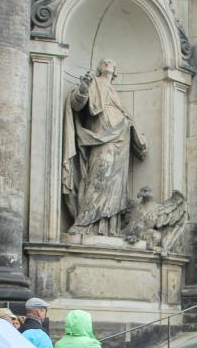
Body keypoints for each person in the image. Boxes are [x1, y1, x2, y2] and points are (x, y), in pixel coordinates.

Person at [63, 58, 148, 236]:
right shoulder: (93, 82)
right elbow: (77, 104)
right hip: (100, 137)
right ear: (99, 67)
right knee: (98, 177)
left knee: (116, 184)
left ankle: (110, 228)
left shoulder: (114, 92)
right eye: (105, 61)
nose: (108, 62)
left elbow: (126, 116)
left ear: (115, 70)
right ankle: (85, 223)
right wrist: (84, 87)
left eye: (111, 61)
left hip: (121, 139)